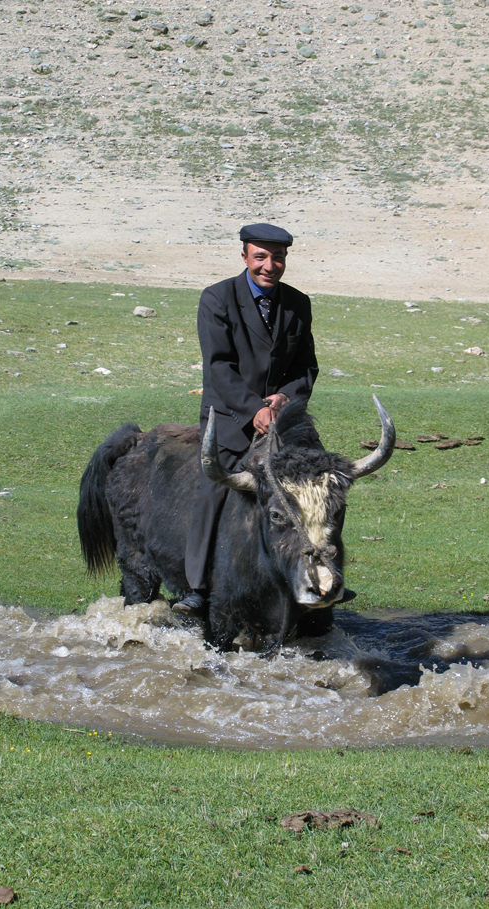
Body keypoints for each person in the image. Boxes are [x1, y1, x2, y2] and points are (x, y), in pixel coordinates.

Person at [175, 223, 319, 615]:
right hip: (230, 417)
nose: (269, 266)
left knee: (317, 489)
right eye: (260, 257)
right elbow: (219, 366)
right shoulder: (217, 298)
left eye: (278, 258)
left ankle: (319, 574)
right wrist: (254, 408)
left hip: (281, 419)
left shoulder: (298, 303)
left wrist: (283, 398)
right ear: (244, 257)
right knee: (213, 490)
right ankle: (197, 586)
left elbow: (306, 368)